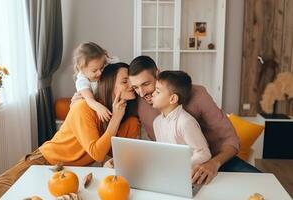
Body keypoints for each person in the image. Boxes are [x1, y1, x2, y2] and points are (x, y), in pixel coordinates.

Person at [0, 63, 139, 199]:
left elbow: (120, 157)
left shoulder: (128, 120)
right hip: (44, 162)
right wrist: (115, 120)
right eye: (124, 81)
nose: (131, 85)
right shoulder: (83, 108)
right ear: (108, 85)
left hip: (70, 175)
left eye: (131, 81)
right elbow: (98, 153)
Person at [128, 55, 260, 185]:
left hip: (219, 159)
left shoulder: (198, 95)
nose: (141, 93)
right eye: (135, 87)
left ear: (158, 74)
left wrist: (213, 164)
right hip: (178, 171)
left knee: (263, 184)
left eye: (146, 84)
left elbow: (231, 140)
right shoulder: (138, 102)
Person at [152, 71, 211, 174]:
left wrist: (179, 165)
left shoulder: (185, 122)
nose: (152, 94)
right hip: (166, 174)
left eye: (157, 92)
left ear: (173, 99)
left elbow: (204, 153)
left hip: (187, 175)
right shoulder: (157, 122)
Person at [74, 42, 115, 122]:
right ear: (81, 69)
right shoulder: (82, 80)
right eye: (94, 71)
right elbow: (90, 99)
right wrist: (98, 107)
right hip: (93, 107)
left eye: (102, 67)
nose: (100, 73)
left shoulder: (104, 63)